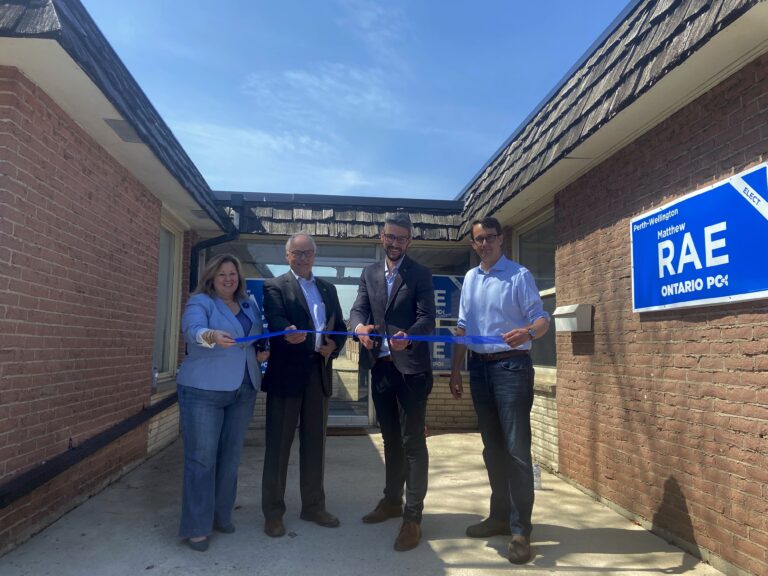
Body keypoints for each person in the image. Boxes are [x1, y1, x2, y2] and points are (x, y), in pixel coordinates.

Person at [449, 217, 550, 565]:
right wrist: (455, 370)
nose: (484, 244)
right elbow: (462, 326)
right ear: (474, 243)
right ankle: (498, 517)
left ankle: (521, 529)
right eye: (478, 239)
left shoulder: (519, 276)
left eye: (490, 238)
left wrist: (528, 333)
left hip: (512, 368)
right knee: (492, 449)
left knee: (516, 450)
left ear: (501, 239)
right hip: (478, 369)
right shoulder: (470, 278)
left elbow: (542, 319)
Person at [349, 213, 436, 552]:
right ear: (381, 237)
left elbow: (427, 318)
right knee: (390, 440)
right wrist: (358, 328)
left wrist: (409, 337)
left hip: (412, 371)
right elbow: (358, 310)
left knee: (413, 443)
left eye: (402, 238)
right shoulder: (369, 273)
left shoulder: (420, 274)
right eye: (391, 237)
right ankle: (391, 501)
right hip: (382, 369)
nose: (396, 243)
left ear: (409, 241)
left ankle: (413, 518)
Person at [176, 254, 269, 552]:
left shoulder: (247, 303)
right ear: (211, 278)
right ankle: (197, 526)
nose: (229, 279)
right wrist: (211, 335)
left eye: (233, 274)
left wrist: (261, 352)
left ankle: (220, 515)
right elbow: (191, 332)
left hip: (243, 388)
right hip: (204, 390)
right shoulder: (200, 302)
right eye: (222, 274)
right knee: (202, 460)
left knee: (230, 459)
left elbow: (253, 339)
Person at [261, 232, 347, 537]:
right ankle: (273, 512)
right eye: (296, 253)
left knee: (315, 445)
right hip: (286, 374)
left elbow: (341, 329)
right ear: (287, 256)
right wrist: (287, 332)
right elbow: (275, 320)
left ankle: (313, 506)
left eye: (307, 253)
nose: (302, 258)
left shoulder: (328, 288)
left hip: (317, 373)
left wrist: (332, 348)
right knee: (278, 447)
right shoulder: (274, 286)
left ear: (315, 255)